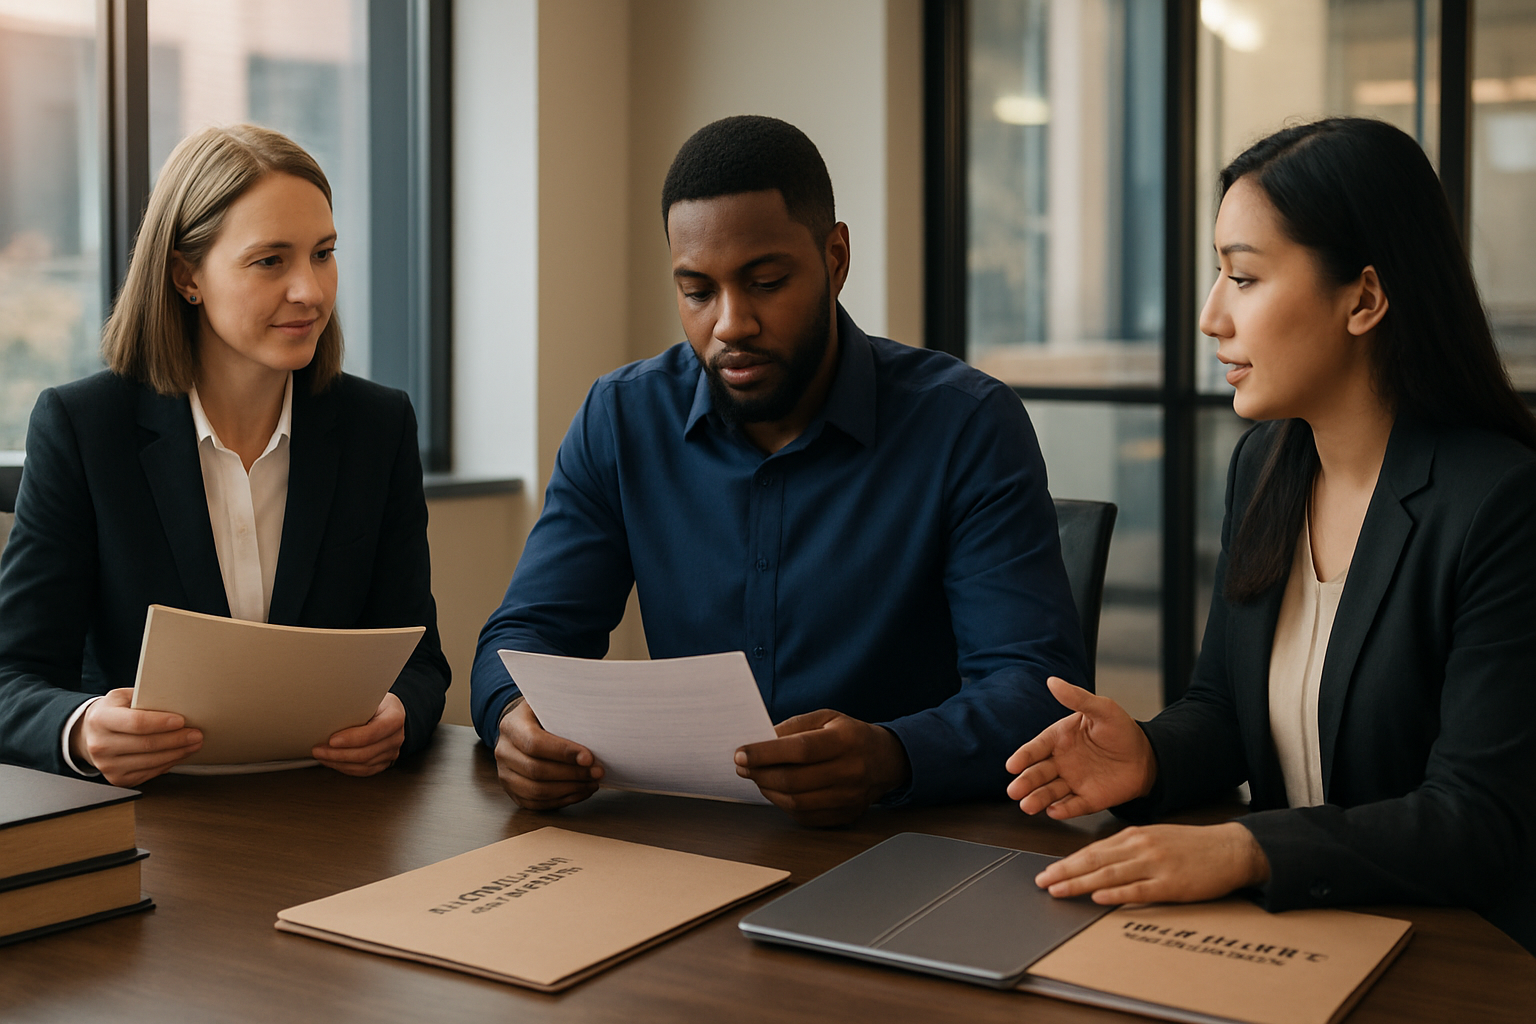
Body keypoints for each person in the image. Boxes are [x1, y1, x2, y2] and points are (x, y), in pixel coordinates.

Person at [1005, 117, 1536, 951]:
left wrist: (1246, 847)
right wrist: (1146, 755)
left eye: (1243, 279)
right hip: (1300, 932)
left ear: (1364, 297)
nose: (1212, 316)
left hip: (1457, 952)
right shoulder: (1267, 466)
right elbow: (1223, 706)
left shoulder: (1499, 503)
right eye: (1217, 275)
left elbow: (1475, 821)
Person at [471, 115, 1086, 825]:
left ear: (835, 258)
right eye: (698, 291)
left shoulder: (967, 425)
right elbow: (523, 634)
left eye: (764, 282)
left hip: (909, 841)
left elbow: (1038, 688)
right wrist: (512, 716)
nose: (730, 323)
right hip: (694, 839)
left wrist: (894, 754)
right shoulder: (622, 419)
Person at [0, 125, 449, 786]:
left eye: (323, 254)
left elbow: (419, 660)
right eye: (272, 261)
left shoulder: (376, 427)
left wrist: (398, 714)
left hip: (332, 812)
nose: (312, 291)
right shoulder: (84, 427)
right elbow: (12, 679)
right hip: (153, 821)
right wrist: (83, 728)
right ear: (187, 275)